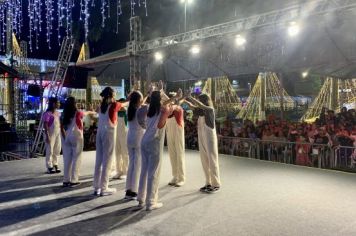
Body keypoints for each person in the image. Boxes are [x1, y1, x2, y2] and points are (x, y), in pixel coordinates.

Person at [137, 89, 181, 211]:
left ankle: (141, 198)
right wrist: (177, 97)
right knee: (153, 173)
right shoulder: (164, 110)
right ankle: (151, 202)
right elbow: (173, 106)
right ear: (161, 100)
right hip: (154, 143)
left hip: (144, 141)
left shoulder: (149, 108)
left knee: (144, 171)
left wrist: (167, 96)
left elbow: (164, 103)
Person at [94, 87, 128, 196]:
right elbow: (125, 104)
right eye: (114, 94)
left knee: (99, 160)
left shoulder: (101, 106)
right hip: (109, 132)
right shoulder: (114, 105)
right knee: (107, 160)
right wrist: (131, 98)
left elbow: (96, 111)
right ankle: (104, 188)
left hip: (100, 132)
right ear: (111, 95)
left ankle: (96, 187)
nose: (115, 96)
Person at [185, 94, 221, 193]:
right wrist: (185, 99)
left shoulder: (210, 109)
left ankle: (216, 184)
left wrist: (191, 98)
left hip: (210, 138)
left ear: (204, 100)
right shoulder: (201, 112)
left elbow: (201, 106)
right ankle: (208, 182)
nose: (198, 101)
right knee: (204, 160)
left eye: (199, 100)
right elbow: (193, 107)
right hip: (202, 137)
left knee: (212, 160)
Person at [60, 97, 95, 187]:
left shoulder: (64, 114)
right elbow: (85, 113)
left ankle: (66, 180)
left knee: (67, 159)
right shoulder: (78, 113)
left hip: (67, 137)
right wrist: (92, 111)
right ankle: (74, 180)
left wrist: (65, 137)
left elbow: (62, 127)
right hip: (77, 136)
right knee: (77, 158)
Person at [125, 91, 148, 200]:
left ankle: (128, 189)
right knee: (137, 165)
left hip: (130, 137)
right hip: (138, 138)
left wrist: (146, 94)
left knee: (131, 164)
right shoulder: (140, 110)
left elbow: (141, 103)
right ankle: (134, 190)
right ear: (138, 100)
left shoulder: (129, 109)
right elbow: (148, 106)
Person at [166, 97, 186, 187]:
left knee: (179, 154)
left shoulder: (178, 108)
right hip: (169, 131)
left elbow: (176, 105)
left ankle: (181, 178)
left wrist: (182, 98)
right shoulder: (169, 107)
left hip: (178, 130)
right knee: (172, 154)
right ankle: (175, 176)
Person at [111, 98, 130, 180]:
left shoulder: (125, 110)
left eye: (120, 102)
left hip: (125, 134)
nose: (119, 104)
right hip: (117, 134)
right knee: (117, 152)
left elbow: (123, 108)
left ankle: (126, 171)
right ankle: (119, 171)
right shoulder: (116, 111)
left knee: (125, 153)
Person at [43, 97, 62, 174]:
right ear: (53, 104)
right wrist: (47, 135)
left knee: (57, 149)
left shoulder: (58, 113)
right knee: (49, 150)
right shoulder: (47, 113)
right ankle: (49, 166)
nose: (59, 104)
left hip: (57, 133)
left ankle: (55, 164)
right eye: (58, 102)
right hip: (50, 133)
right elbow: (45, 125)